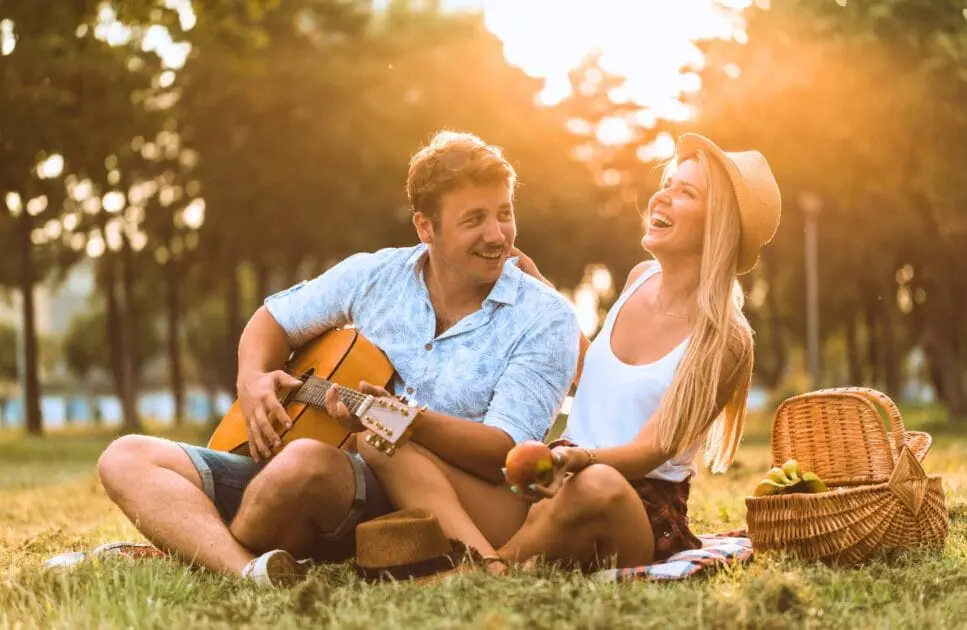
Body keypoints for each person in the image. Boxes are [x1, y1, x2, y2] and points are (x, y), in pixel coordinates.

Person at [92, 130, 581, 585]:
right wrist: (253, 379)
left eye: (504, 213)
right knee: (127, 455)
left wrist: (408, 423)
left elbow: (509, 450)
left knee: (303, 463)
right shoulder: (375, 274)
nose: (498, 235)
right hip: (308, 470)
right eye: (474, 219)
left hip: (421, 494)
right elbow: (273, 319)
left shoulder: (545, 318)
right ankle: (248, 573)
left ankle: (195, 542)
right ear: (425, 227)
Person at [359, 132, 781, 570]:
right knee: (381, 438)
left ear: (720, 224)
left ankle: (478, 568)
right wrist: (546, 296)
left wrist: (580, 459)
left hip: (631, 506)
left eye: (686, 192)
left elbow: (654, 449)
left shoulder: (726, 337)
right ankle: (487, 563)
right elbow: (595, 375)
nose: (663, 196)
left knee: (596, 484)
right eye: (669, 183)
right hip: (556, 483)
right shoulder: (639, 278)